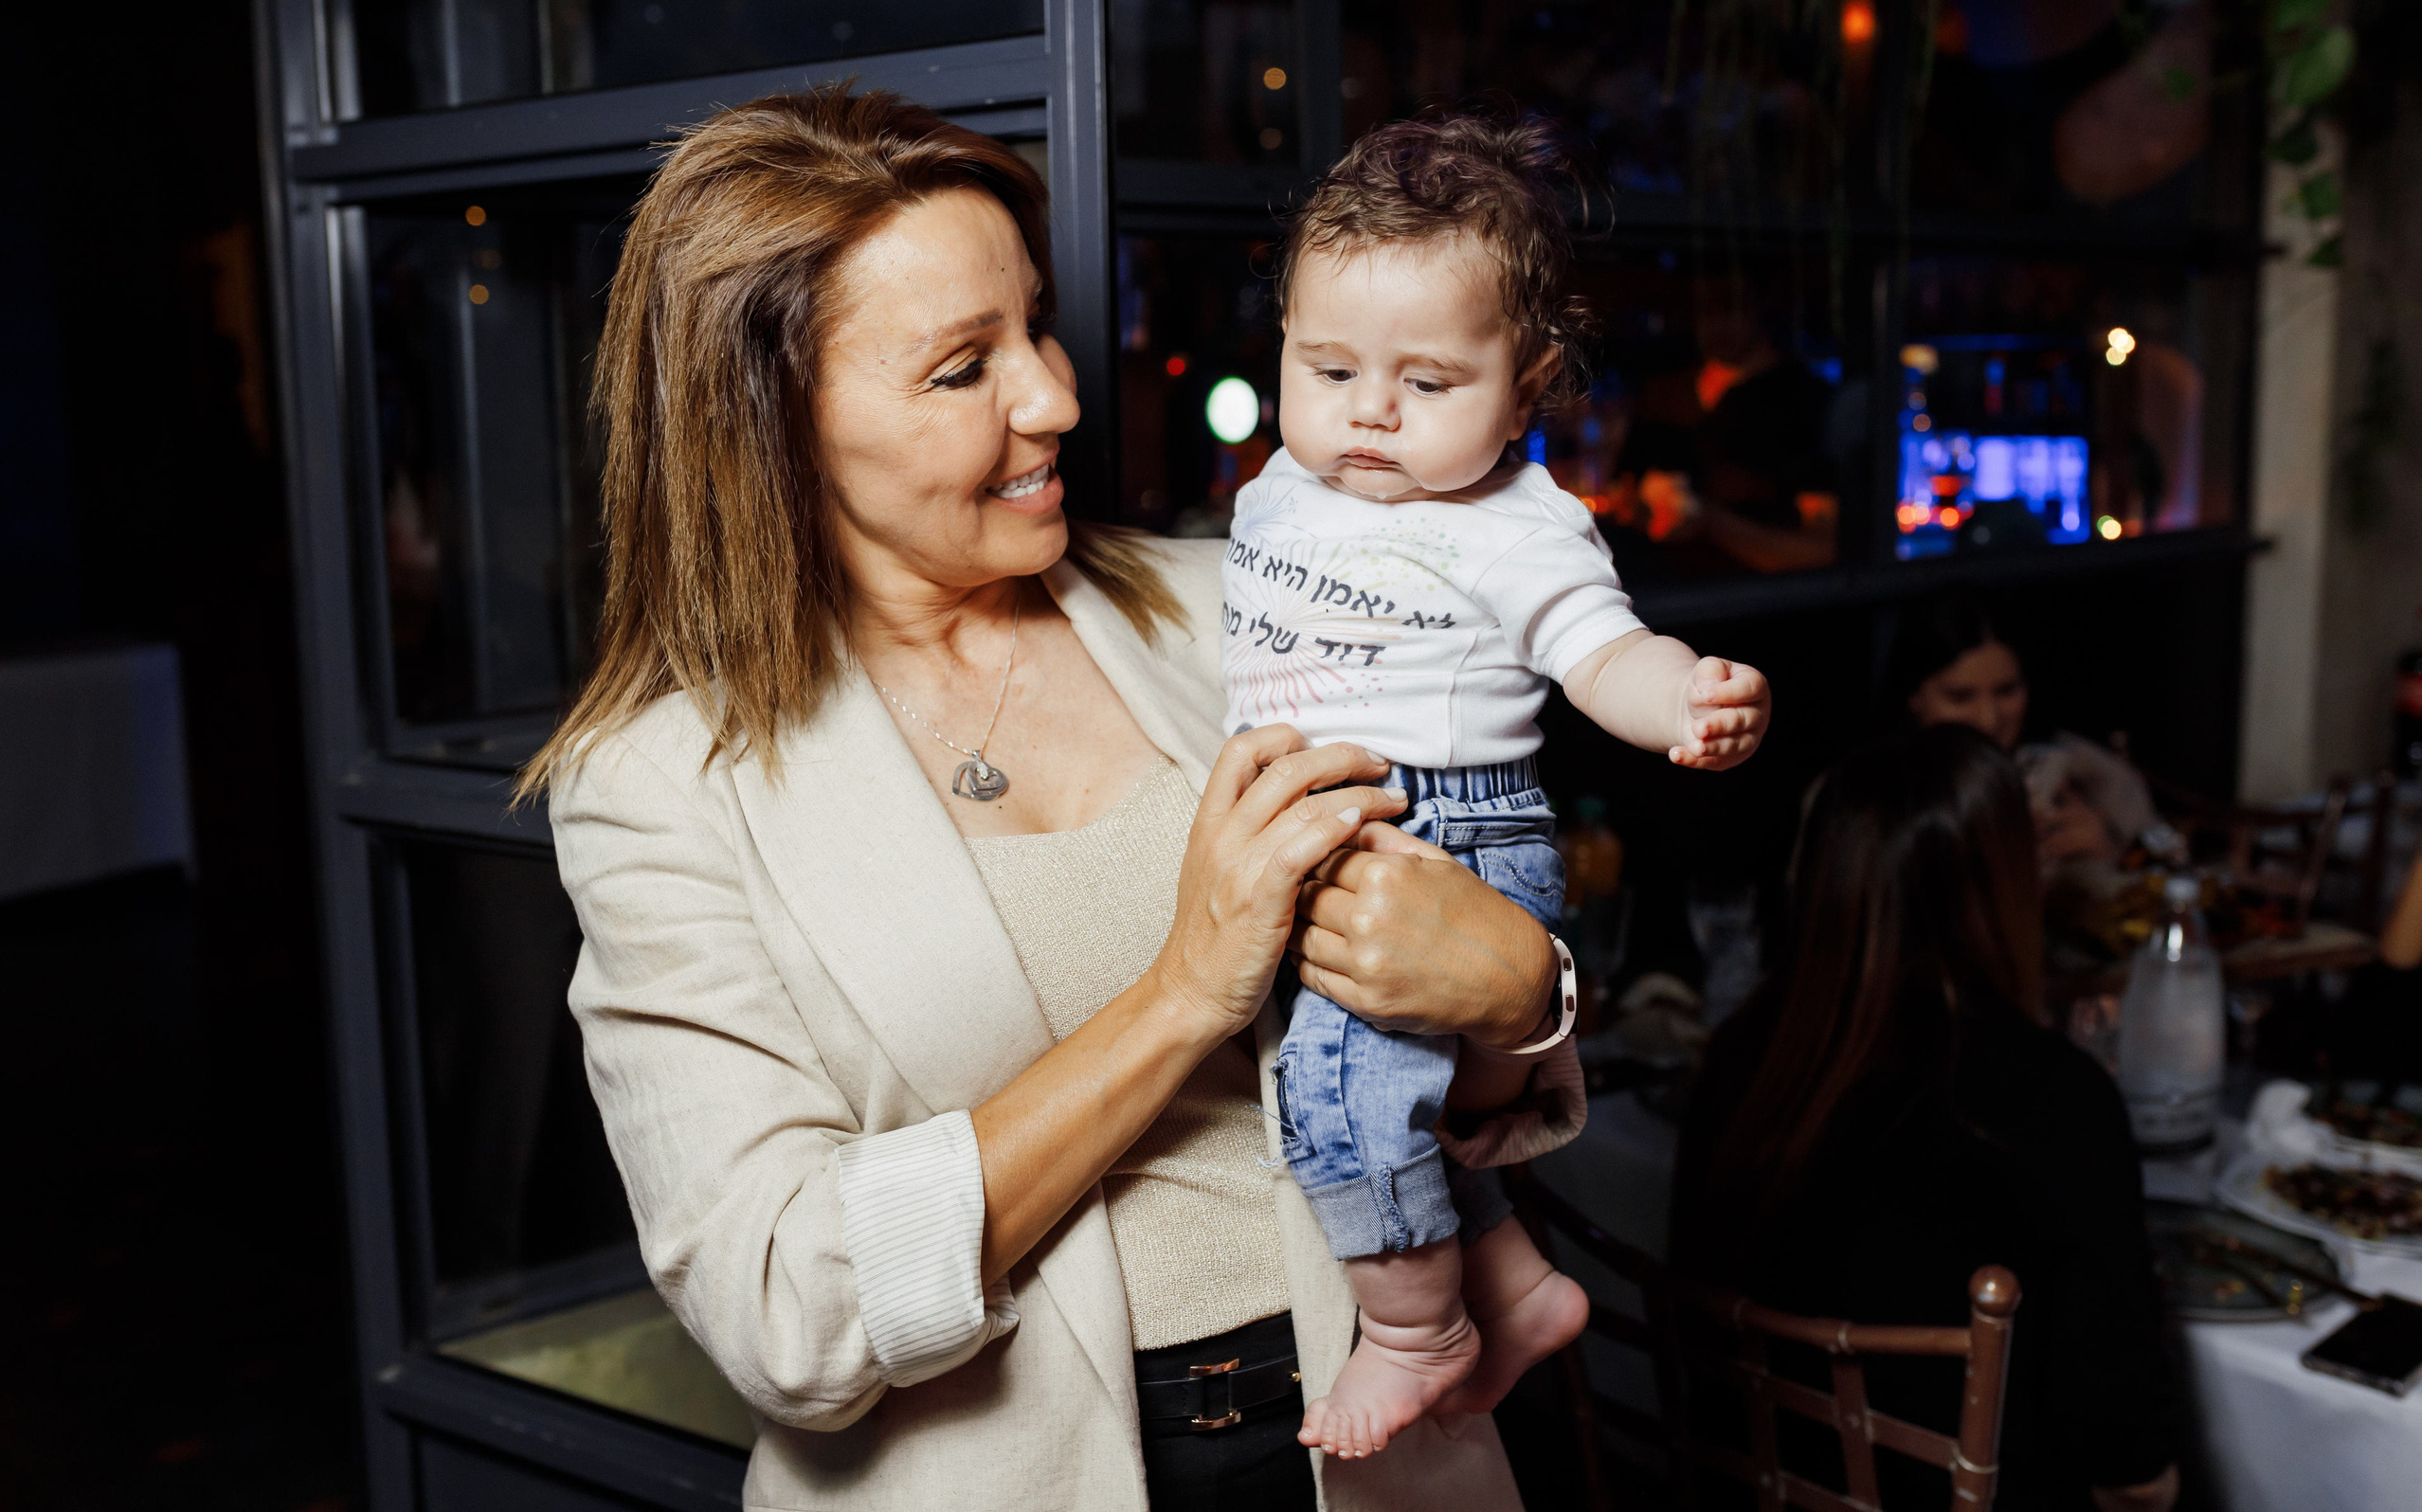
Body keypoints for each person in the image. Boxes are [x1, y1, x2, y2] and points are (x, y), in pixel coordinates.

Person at [518, 88, 1588, 1511]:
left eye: (1036, 323)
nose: (1057, 396)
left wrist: (1523, 994)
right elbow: (787, 1311)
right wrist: (1179, 996)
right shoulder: (662, 792)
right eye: (965, 368)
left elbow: (1430, 1085)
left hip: (1377, 1447)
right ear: (773, 422)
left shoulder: (1243, 615)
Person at [1223, 112, 1773, 1459]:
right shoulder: (1285, 487)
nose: (1369, 411)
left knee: (1340, 1097)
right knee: (1399, 1100)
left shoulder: (1515, 523)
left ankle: (1418, 1333)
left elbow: (1602, 651)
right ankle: (1516, 1287)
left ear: (1525, 389)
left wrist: (1682, 697)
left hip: (1439, 834)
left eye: (1426, 383)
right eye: (1330, 364)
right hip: (1323, 823)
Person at [1672, 727, 2182, 1512]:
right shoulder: (2054, 1095)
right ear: (2007, 879)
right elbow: (2127, 1449)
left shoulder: (1748, 1051)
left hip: (1751, 1486)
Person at [1884, 586, 2158, 868]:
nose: (1988, 720)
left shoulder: (2088, 775)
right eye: (1960, 696)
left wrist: (2111, 856)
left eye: (2006, 691)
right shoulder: (1873, 799)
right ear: (1913, 697)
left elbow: (2167, 872)